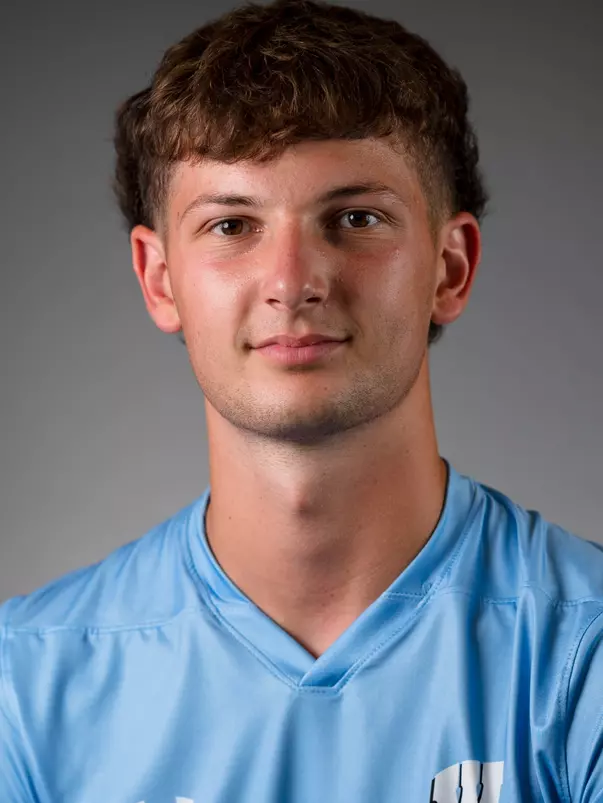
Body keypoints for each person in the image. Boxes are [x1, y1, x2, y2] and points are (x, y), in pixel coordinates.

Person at [1, 0, 601, 800]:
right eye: (231, 226)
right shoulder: (28, 684)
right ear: (159, 278)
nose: (291, 282)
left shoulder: (583, 650)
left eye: (355, 218)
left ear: (449, 267)